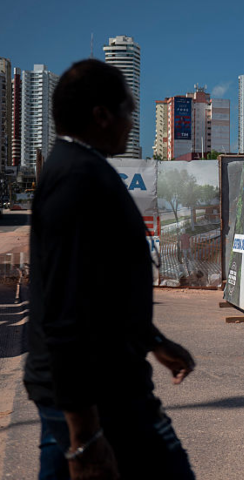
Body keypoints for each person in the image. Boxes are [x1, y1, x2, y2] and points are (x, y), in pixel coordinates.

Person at [24, 59, 196, 479]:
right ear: (101, 115)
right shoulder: (77, 179)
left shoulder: (81, 168)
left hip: (100, 386)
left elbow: (103, 289)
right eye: (128, 111)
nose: (130, 123)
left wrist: (152, 340)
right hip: (100, 396)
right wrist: (83, 434)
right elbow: (64, 310)